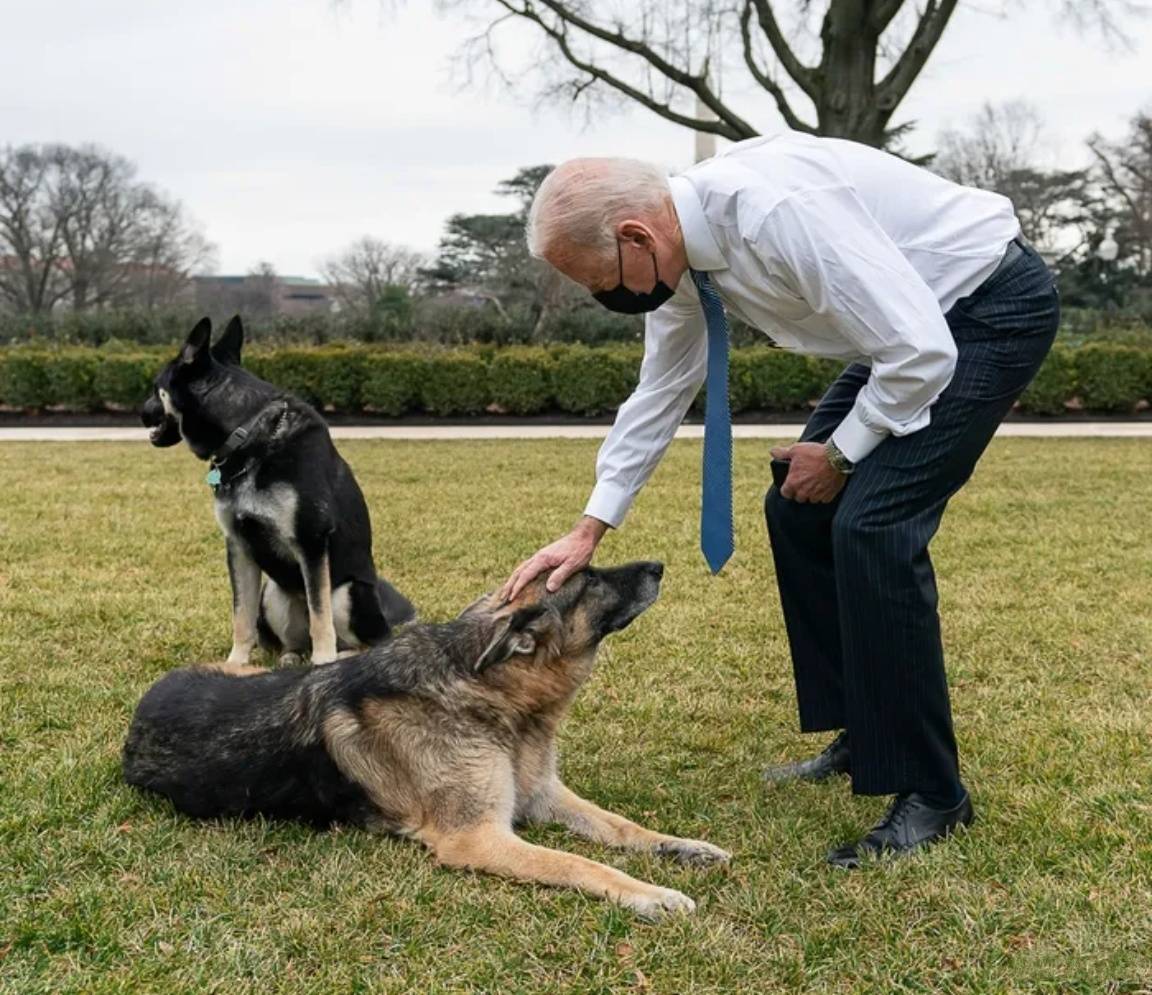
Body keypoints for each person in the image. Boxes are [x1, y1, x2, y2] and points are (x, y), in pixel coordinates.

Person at [499, 132, 1059, 867]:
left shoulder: (776, 213)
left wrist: (840, 453)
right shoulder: (679, 261)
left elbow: (923, 351)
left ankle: (934, 791)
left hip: (983, 313)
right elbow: (661, 389)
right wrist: (589, 530)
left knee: (873, 526)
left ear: (636, 235)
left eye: (600, 281)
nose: (604, 297)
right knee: (799, 511)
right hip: (908, 330)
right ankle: (867, 730)